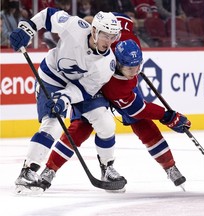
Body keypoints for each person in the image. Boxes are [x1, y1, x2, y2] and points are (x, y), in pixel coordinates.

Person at [36, 39, 190, 194]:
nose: (135, 72)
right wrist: (167, 116)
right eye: (130, 68)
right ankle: (50, 169)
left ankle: (170, 166)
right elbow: (139, 109)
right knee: (79, 129)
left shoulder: (118, 50)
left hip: (117, 91)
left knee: (144, 125)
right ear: (118, 64)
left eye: (138, 65)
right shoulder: (116, 86)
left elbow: (120, 24)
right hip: (89, 89)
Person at [9, 8, 123, 194]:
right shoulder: (75, 26)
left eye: (113, 36)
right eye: (105, 35)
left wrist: (65, 98)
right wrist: (28, 27)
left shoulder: (107, 63)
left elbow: (84, 90)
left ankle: (107, 168)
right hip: (51, 78)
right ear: (94, 31)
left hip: (78, 88)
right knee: (53, 124)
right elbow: (47, 15)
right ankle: (27, 172)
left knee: (106, 123)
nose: (109, 42)